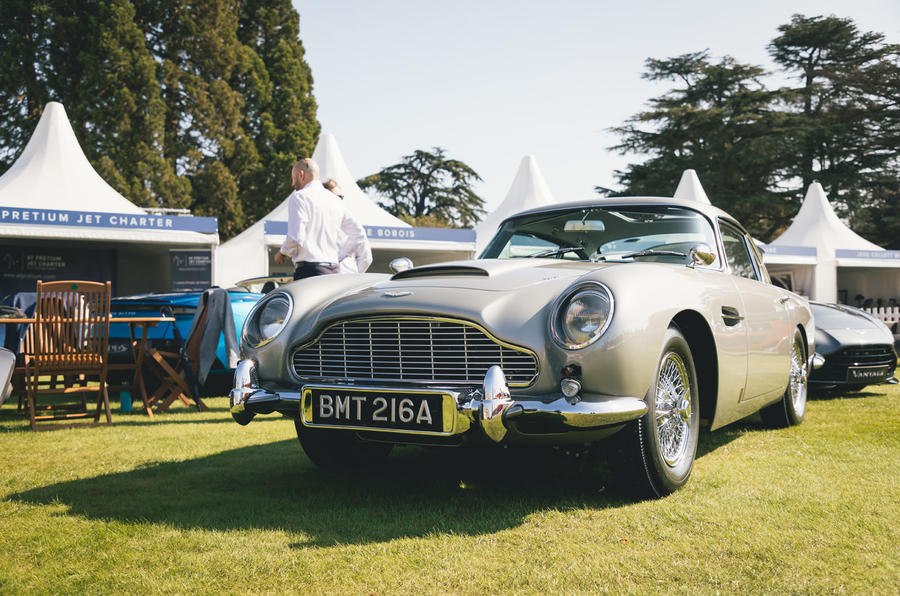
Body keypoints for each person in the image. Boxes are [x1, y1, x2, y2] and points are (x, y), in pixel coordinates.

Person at [274, 158, 372, 279]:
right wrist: (340, 257)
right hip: (334, 271)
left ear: (301, 175)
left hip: (309, 271)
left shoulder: (299, 197)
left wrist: (282, 253)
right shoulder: (335, 200)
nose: (292, 184)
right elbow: (358, 233)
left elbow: (296, 237)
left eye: (293, 179)